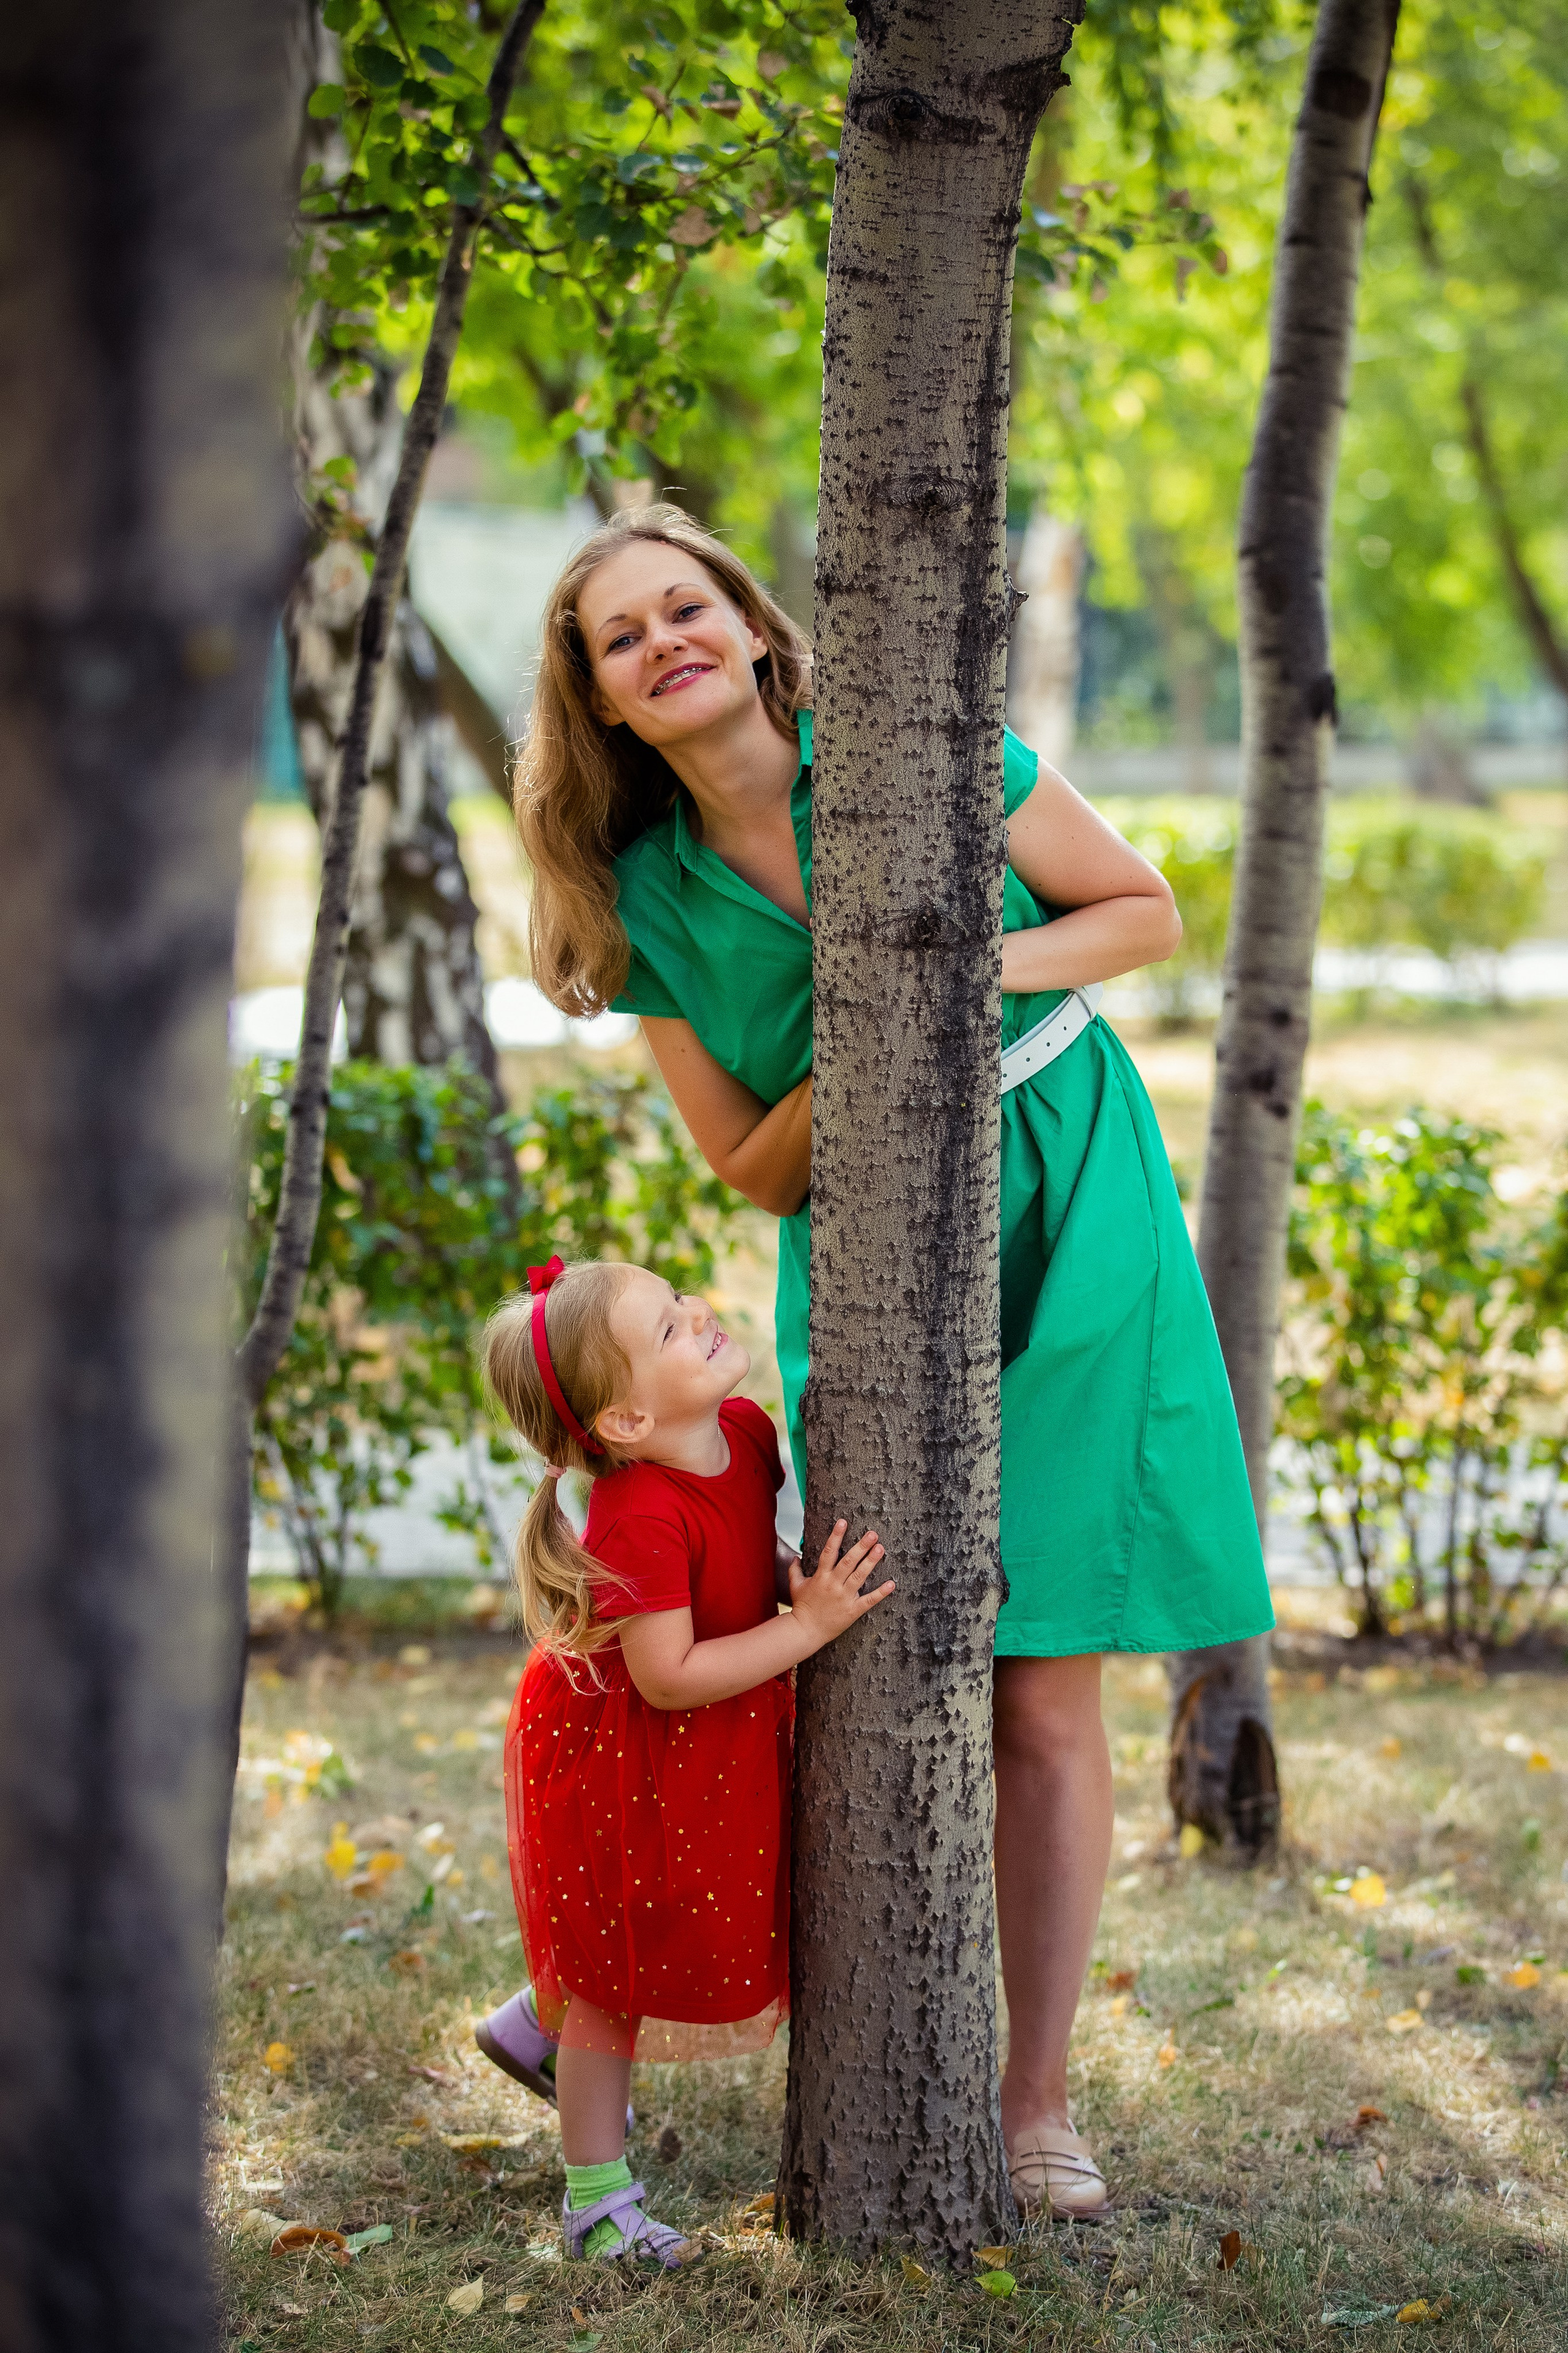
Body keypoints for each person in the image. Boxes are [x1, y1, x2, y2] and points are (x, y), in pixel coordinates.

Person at [506, 505, 1276, 2218]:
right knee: (848, 1647)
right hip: (860, 1251)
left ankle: (1036, 2103)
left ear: (754, 627)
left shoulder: (922, 747)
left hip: (1073, 1188)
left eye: (682, 606)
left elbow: (1140, 916)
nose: (662, 645)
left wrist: (949, 975)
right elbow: (750, 1166)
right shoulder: (644, 899)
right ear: (606, 707)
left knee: (1043, 1676)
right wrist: (869, 1030)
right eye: (620, 641)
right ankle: (604, 1981)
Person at [477, 1253, 892, 2267]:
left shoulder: (746, 1430)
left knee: (663, 1923)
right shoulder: (638, 1509)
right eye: (665, 1329)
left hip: (705, 1741)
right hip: (630, 1745)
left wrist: (796, 1578)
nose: (697, 1314)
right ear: (622, 1422)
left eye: (678, 1302)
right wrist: (813, 1627)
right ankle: (596, 2204)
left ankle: (533, 2018)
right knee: (615, 1980)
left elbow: (749, 1553)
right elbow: (666, 1673)